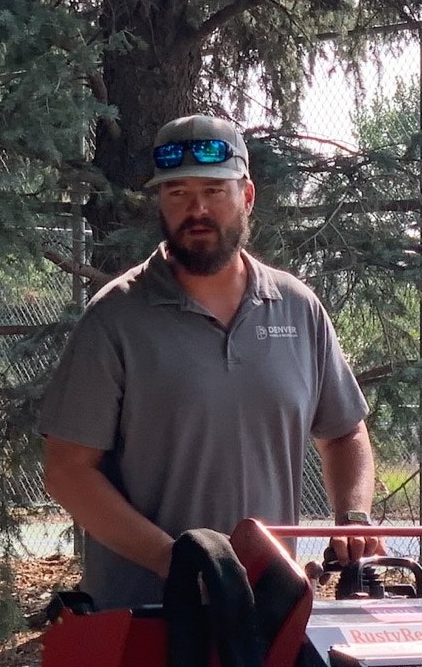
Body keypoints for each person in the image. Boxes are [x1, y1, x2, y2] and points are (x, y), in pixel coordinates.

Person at [39, 113, 379, 609]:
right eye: (177, 192)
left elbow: (345, 432)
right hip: (147, 620)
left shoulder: (297, 307)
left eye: (214, 190)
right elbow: (67, 470)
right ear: (160, 202)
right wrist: (175, 562)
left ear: (247, 195)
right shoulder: (114, 319)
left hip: (269, 615)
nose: (196, 208)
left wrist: (354, 517)